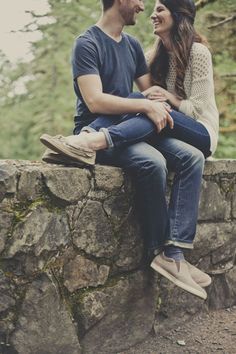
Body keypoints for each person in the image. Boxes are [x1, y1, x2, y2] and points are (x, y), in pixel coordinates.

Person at [40, 0, 219, 300]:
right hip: (97, 123)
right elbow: (97, 102)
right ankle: (159, 250)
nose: (142, 7)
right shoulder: (87, 43)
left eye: (157, 7)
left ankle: (175, 254)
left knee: (192, 156)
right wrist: (145, 104)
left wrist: (153, 103)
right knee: (153, 162)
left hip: (129, 128)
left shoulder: (135, 46)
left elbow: (150, 97)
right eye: (137, 0)